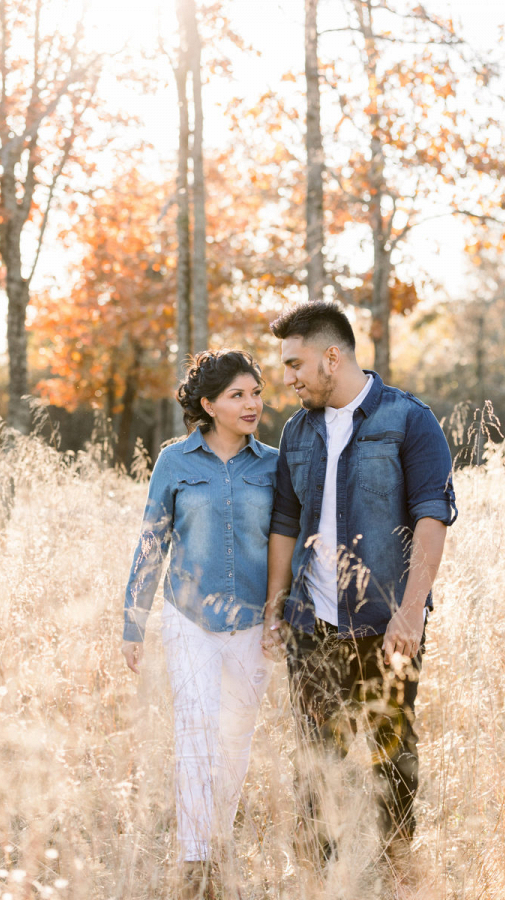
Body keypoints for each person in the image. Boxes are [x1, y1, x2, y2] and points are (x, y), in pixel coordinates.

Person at [260, 301, 457, 863]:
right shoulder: (297, 431)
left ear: (331, 356)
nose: (288, 378)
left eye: (295, 364)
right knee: (315, 762)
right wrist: (277, 609)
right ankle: (319, 880)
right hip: (311, 627)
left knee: (392, 758)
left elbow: (431, 515)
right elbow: (284, 523)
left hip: (385, 627)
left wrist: (411, 611)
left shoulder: (408, 419)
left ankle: (397, 870)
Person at [121, 350, 277, 899]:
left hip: (254, 625)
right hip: (189, 620)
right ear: (208, 405)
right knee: (194, 735)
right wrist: (133, 621)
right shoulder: (175, 460)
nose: (252, 403)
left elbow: (289, 545)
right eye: (238, 395)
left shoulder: (273, 464)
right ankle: (196, 862)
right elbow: (151, 540)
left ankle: (218, 838)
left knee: (235, 740)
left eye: (256, 391)